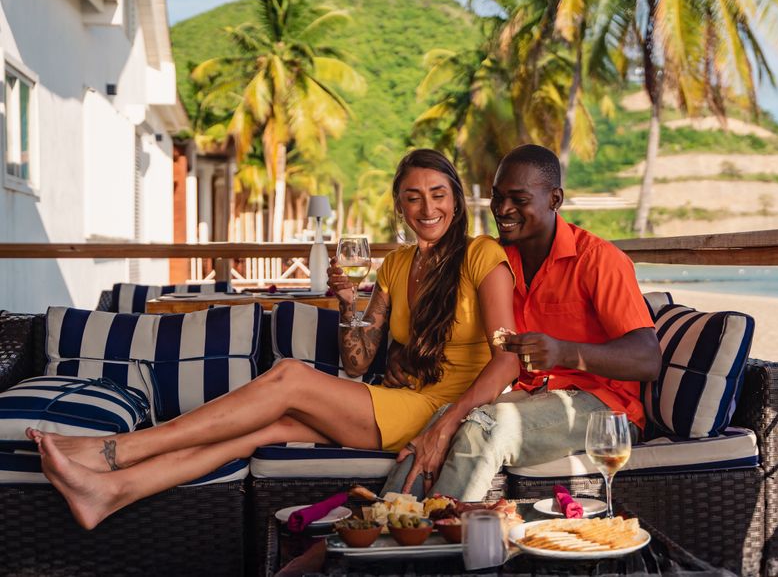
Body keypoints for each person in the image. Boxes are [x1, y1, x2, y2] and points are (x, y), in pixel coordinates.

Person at [28, 149, 518, 529]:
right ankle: (111, 493)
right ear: (400, 206)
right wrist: (349, 306)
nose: (427, 207)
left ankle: (116, 451)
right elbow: (357, 360)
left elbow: (508, 360)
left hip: (441, 407)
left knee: (288, 376)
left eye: (437, 193)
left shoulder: (481, 254)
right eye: (414, 196)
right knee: (264, 429)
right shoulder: (395, 265)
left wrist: (444, 426)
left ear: (455, 197)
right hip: (401, 401)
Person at [385, 144, 662, 501]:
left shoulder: (599, 260)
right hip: (528, 396)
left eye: (518, 199)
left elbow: (647, 358)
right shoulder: (496, 259)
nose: (503, 210)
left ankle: (440, 537)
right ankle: (383, 522)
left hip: (603, 409)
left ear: (555, 199)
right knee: (442, 420)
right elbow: (438, 321)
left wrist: (562, 352)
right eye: (497, 198)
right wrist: (398, 351)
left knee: (485, 427)